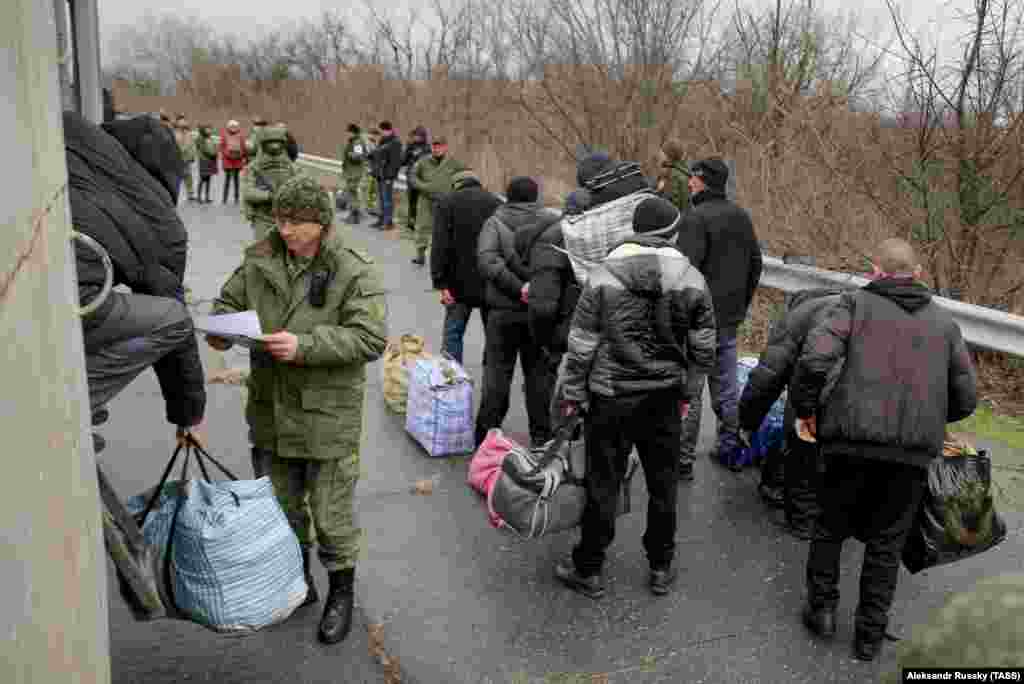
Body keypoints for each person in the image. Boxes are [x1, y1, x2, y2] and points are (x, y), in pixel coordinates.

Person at [207, 175, 388, 645]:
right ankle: (299, 584)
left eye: (295, 222)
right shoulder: (259, 260)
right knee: (281, 510)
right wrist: (222, 328)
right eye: (280, 219)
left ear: (321, 224)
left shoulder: (352, 269)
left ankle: (340, 594)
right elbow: (226, 302)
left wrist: (304, 345)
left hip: (327, 414)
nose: (284, 230)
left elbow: (370, 338)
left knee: (331, 516)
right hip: (271, 408)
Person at [790, 238, 977, 661]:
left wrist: (807, 410)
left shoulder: (852, 306)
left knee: (830, 527)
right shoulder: (945, 325)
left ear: (875, 270)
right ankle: (869, 635)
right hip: (910, 456)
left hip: (848, 444)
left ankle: (822, 610)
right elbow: (966, 398)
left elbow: (814, 360)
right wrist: (932, 417)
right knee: (886, 543)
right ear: (918, 273)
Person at [554, 196, 717, 599]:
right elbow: (703, 349)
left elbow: (582, 343)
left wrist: (573, 393)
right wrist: (688, 392)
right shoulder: (692, 279)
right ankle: (661, 565)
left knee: (602, 481)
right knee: (663, 485)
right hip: (663, 397)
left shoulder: (603, 275)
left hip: (610, 396)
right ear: (670, 234)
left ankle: (589, 567)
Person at [64, 111, 207, 454]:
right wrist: (188, 415)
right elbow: (179, 338)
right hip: (65, 301)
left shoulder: (69, 126)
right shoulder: (160, 222)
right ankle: (71, 401)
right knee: (173, 319)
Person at [676, 158, 762, 478]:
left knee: (691, 389)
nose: (689, 183)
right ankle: (729, 447)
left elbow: (684, 273)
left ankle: (682, 460)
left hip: (697, 319)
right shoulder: (741, 216)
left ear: (703, 182)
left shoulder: (695, 218)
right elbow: (756, 263)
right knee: (726, 389)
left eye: (693, 179)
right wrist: (741, 303)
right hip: (728, 318)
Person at [737, 287, 845, 538]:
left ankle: (803, 522)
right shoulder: (861, 311)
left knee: (802, 453)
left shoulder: (800, 315)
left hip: (812, 402)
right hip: (858, 406)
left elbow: (767, 377)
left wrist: (748, 422)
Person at [475, 177, 563, 448]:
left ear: (508, 196)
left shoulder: (494, 222)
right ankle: (541, 436)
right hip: (540, 312)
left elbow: (487, 260)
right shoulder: (553, 223)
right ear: (536, 196)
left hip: (502, 312)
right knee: (539, 376)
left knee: (497, 374)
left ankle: (488, 435)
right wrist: (535, 288)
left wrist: (517, 288)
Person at [430, 169, 502, 366]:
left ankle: (452, 380)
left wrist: (440, 283)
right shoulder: (496, 203)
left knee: (453, 333)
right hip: (491, 282)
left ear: (456, 184)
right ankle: (493, 379)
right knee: (494, 335)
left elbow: (439, 246)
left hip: (456, 283)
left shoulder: (447, 203)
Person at [408, 136, 466, 265]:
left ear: (445, 147)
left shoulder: (454, 163)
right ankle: (420, 254)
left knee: (443, 229)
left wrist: (455, 192)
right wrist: (422, 186)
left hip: (445, 201)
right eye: (434, 146)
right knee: (422, 226)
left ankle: (443, 257)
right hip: (425, 199)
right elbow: (412, 176)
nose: (436, 149)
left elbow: (465, 176)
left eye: (439, 146)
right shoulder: (423, 161)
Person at [242, 127, 298, 241]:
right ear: (263, 144)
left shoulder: (292, 168)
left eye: (277, 142)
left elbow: (301, 187)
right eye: (271, 142)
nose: (274, 146)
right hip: (263, 218)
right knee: (263, 252)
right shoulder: (254, 168)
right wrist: (268, 196)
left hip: (286, 217)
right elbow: (248, 192)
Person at [369, 120, 403, 231]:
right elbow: (378, 155)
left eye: (383, 131)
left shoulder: (395, 142)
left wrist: (390, 176)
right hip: (380, 175)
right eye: (381, 131)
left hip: (388, 176)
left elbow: (395, 162)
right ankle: (381, 219)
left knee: (387, 200)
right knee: (381, 199)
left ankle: (388, 222)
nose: (381, 133)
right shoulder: (383, 140)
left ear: (388, 130)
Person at [401, 126, 431, 234]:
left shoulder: (427, 148)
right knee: (411, 202)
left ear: (423, 136)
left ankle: (422, 225)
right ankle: (411, 223)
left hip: (421, 180)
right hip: (411, 179)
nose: (416, 137)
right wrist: (407, 148)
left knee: (422, 204)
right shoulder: (411, 146)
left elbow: (426, 163)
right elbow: (403, 161)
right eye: (415, 136)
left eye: (418, 136)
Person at [340, 123, 369, 225]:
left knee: (352, 193)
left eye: (348, 132)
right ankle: (353, 214)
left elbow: (359, 156)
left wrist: (350, 154)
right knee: (351, 193)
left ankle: (354, 215)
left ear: (353, 132)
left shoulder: (357, 142)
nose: (347, 134)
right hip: (351, 171)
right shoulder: (353, 141)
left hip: (355, 172)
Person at [655, 138, 690, 213]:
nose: (659, 155)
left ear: (669, 155)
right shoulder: (667, 171)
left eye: (662, 153)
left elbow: (678, 204)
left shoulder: (676, 176)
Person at [219, 119, 247, 204]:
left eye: (235, 126)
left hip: (237, 161)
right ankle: (224, 198)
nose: (233, 128)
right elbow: (222, 147)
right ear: (228, 127)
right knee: (227, 180)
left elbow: (243, 148)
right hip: (228, 161)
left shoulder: (241, 136)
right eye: (232, 126)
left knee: (236, 180)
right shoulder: (224, 136)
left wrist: (240, 155)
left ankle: (236, 197)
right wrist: (227, 154)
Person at [173, 115, 196, 202]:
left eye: (184, 121)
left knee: (188, 176)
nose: (183, 123)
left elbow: (192, 145)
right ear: (177, 123)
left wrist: (192, 156)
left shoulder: (189, 133)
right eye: (181, 121)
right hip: (177, 158)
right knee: (177, 177)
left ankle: (190, 194)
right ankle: (174, 193)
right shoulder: (174, 133)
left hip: (187, 159)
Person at [195, 125, 218, 204]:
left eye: (210, 129)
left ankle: (207, 197)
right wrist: (213, 153)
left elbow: (214, 147)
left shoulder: (210, 138)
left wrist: (215, 152)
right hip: (204, 160)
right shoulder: (200, 139)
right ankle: (199, 197)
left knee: (208, 179)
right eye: (207, 130)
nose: (209, 131)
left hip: (210, 160)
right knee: (202, 179)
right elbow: (204, 149)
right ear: (203, 131)